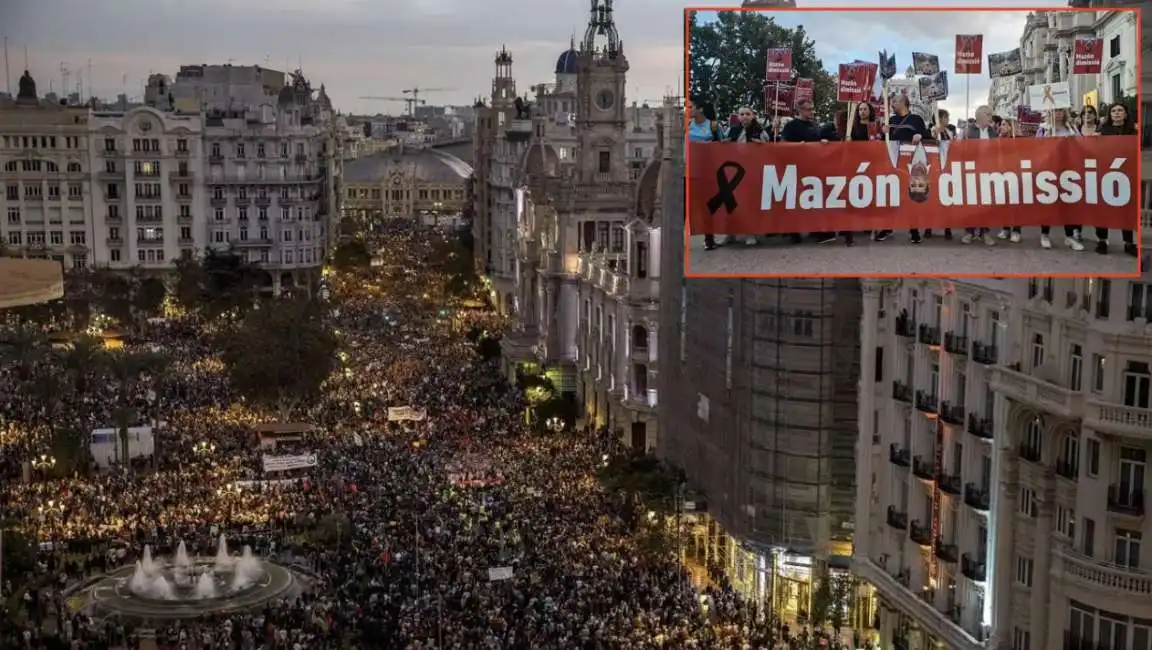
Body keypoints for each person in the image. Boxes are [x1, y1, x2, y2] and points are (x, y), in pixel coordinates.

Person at [880, 94, 929, 244]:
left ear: (904, 103)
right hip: (895, 162)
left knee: (910, 197)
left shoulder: (916, 119)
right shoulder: (892, 120)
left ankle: (914, 230)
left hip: (911, 163)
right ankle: (887, 227)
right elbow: (885, 143)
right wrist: (884, 132)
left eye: (895, 102)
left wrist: (919, 135)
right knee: (892, 195)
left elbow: (926, 135)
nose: (892, 104)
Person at [1036, 108, 1084, 252]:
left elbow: (1081, 144)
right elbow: (1036, 147)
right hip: (1049, 169)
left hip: (1069, 168)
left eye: (1060, 111)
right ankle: (1045, 235)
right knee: (1048, 202)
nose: (1058, 113)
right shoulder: (1043, 129)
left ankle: (1069, 236)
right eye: (1055, 111)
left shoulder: (1071, 128)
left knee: (1068, 202)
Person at [780, 99, 826, 244]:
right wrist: (796, 147)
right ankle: (793, 231)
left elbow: (817, 142)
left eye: (812, 109)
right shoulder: (791, 125)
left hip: (813, 167)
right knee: (795, 199)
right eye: (808, 109)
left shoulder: (814, 125)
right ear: (799, 110)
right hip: (795, 167)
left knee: (812, 198)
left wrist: (822, 142)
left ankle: (814, 228)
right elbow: (782, 144)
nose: (811, 112)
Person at [1096, 103, 1138, 256]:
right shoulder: (1102, 132)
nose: (1117, 113)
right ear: (1109, 115)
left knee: (1126, 210)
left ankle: (1128, 242)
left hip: (1127, 175)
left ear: (1126, 114)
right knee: (1103, 209)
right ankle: (1102, 240)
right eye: (1113, 111)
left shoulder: (1133, 132)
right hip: (1106, 174)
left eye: (1120, 110)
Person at [726, 107, 768, 246]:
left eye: (748, 114)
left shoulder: (760, 131)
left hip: (752, 170)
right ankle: (730, 233)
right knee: (732, 202)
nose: (744, 117)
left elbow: (769, 148)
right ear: (738, 117)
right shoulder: (732, 131)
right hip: (735, 170)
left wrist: (762, 145)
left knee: (750, 202)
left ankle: (751, 233)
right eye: (742, 114)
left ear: (753, 116)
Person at [689, 101, 725, 251]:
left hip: (707, 172)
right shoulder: (685, 126)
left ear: (700, 109)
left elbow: (722, 146)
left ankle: (708, 239)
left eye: (691, 106)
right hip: (689, 171)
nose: (687, 109)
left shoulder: (714, 126)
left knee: (706, 206)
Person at [995, 118, 1023, 243]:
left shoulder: (1019, 140)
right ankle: (1005, 228)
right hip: (1001, 174)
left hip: (1015, 174)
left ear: (1011, 127)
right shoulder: (998, 140)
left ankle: (1016, 230)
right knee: (1004, 203)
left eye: (1005, 124)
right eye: (1001, 124)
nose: (1002, 126)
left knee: (1015, 204)